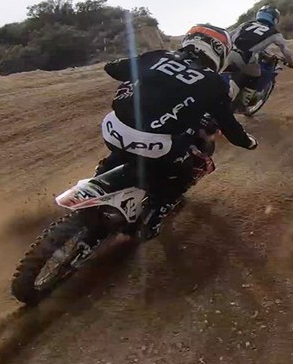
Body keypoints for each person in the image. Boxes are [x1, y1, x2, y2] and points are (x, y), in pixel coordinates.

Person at [97, 23, 259, 240]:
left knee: (127, 147)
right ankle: (151, 219)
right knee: (191, 168)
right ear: (219, 51)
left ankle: (101, 177)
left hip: (112, 128)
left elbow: (112, 68)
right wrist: (248, 142)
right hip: (153, 145)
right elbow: (230, 128)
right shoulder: (213, 82)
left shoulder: (159, 56)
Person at [226, 5, 293, 105]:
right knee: (256, 75)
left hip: (228, 53)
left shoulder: (246, 24)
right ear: (274, 19)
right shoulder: (274, 33)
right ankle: (243, 103)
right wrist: (290, 63)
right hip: (245, 57)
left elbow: (229, 35)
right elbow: (285, 50)